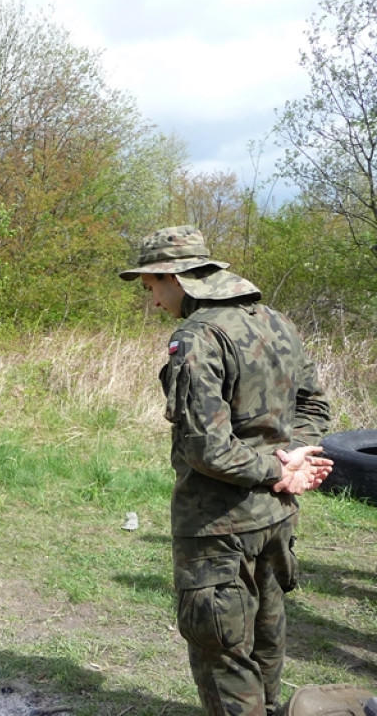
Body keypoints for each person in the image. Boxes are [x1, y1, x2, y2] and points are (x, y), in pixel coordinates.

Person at [119, 225, 333, 716]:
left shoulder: (197, 337)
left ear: (175, 277)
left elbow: (205, 447)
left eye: (151, 287)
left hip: (219, 524)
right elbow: (314, 406)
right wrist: (291, 459)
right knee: (265, 639)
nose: (152, 302)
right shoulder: (275, 321)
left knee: (223, 653)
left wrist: (277, 469)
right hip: (276, 517)